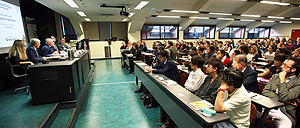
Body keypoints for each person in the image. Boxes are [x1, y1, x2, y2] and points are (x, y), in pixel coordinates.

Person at [262, 57, 300, 128]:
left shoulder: (298, 82)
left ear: (293, 69)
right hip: (267, 106)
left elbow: (285, 97)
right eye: (283, 64)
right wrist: (280, 100)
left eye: (285, 66)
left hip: (283, 111)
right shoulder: (275, 76)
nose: (282, 66)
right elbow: (265, 91)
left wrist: (282, 80)